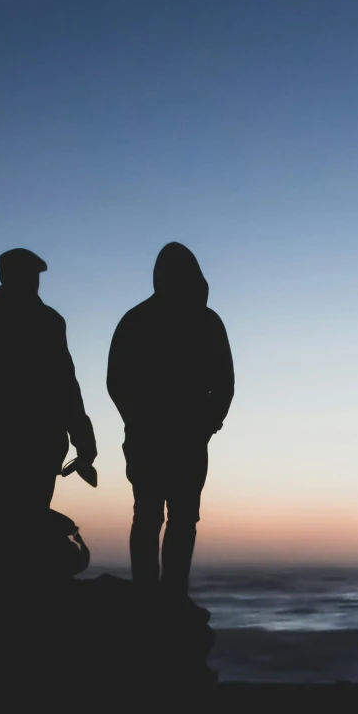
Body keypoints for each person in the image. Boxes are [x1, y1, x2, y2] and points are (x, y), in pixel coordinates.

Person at [107, 241, 233, 596]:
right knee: (163, 518)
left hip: (179, 438)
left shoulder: (144, 320)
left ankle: (165, 593)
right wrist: (139, 420)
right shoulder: (149, 321)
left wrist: (208, 424)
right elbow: (117, 382)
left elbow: (224, 384)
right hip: (163, 438)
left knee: (164, 518)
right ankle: (161, 594)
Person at [0, 248, 96, 521]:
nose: (34, 282)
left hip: (0, 446)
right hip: (33, 444)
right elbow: (65, 387)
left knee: (10, 528)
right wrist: (83, 440)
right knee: (28, 528)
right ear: (8, 276)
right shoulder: (47, 322)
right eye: (30, 275)